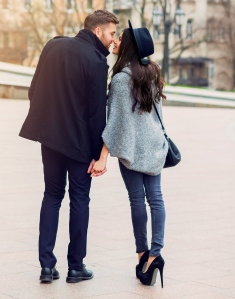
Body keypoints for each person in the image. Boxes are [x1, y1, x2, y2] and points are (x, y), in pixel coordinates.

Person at [19, 10, 119, 283]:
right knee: (79, 200)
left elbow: (33, 91)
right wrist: (99, 156)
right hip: (79, 147)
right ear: (97, 31)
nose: (113, 40)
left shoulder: (53, 44)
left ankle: (46, 267)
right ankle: (76, 267)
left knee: (51, 196)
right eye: (111, 33)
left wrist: (49, 123)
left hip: (50, 140)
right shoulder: (96, 62)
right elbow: (97, 115)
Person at [91, 21, 168, 288]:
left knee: (138, 201)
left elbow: (114, 124)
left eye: (120, 38)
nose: (115, 42)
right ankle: (156, 254)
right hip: (155, 145)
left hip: (133, 149)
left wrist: (102, 157)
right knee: (156, 200)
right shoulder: (153, 71)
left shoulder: (122, 79)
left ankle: (142, 255)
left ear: (130, 47)